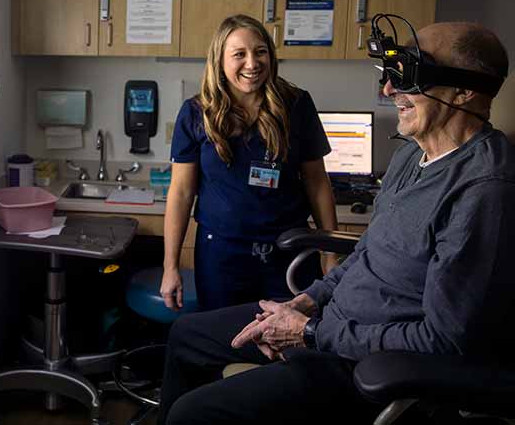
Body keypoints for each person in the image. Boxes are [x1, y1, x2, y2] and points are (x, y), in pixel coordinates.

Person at [158, 21, 515, 424]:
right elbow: (367, 252)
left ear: (465, 92)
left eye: (408, 78)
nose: (388, 91)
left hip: (356, 361)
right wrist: (305, 300)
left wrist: (308, 332)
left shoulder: (484, 190)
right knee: (186, 336)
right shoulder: (410, 156)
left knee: (192, 413)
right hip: (327, 320)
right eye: (391, 77)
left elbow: (444, 339)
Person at [161, 14, 338, 312]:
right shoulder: (196, 113)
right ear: (219, 60)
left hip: (289, 252)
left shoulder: (296, 105)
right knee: (224, 343)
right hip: (221, 256)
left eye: (260, 52)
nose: (252, 64)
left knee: (289, 344)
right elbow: (180, 194)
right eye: (239, 54)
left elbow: (317, 182)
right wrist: (170, 266)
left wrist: (330, 253)